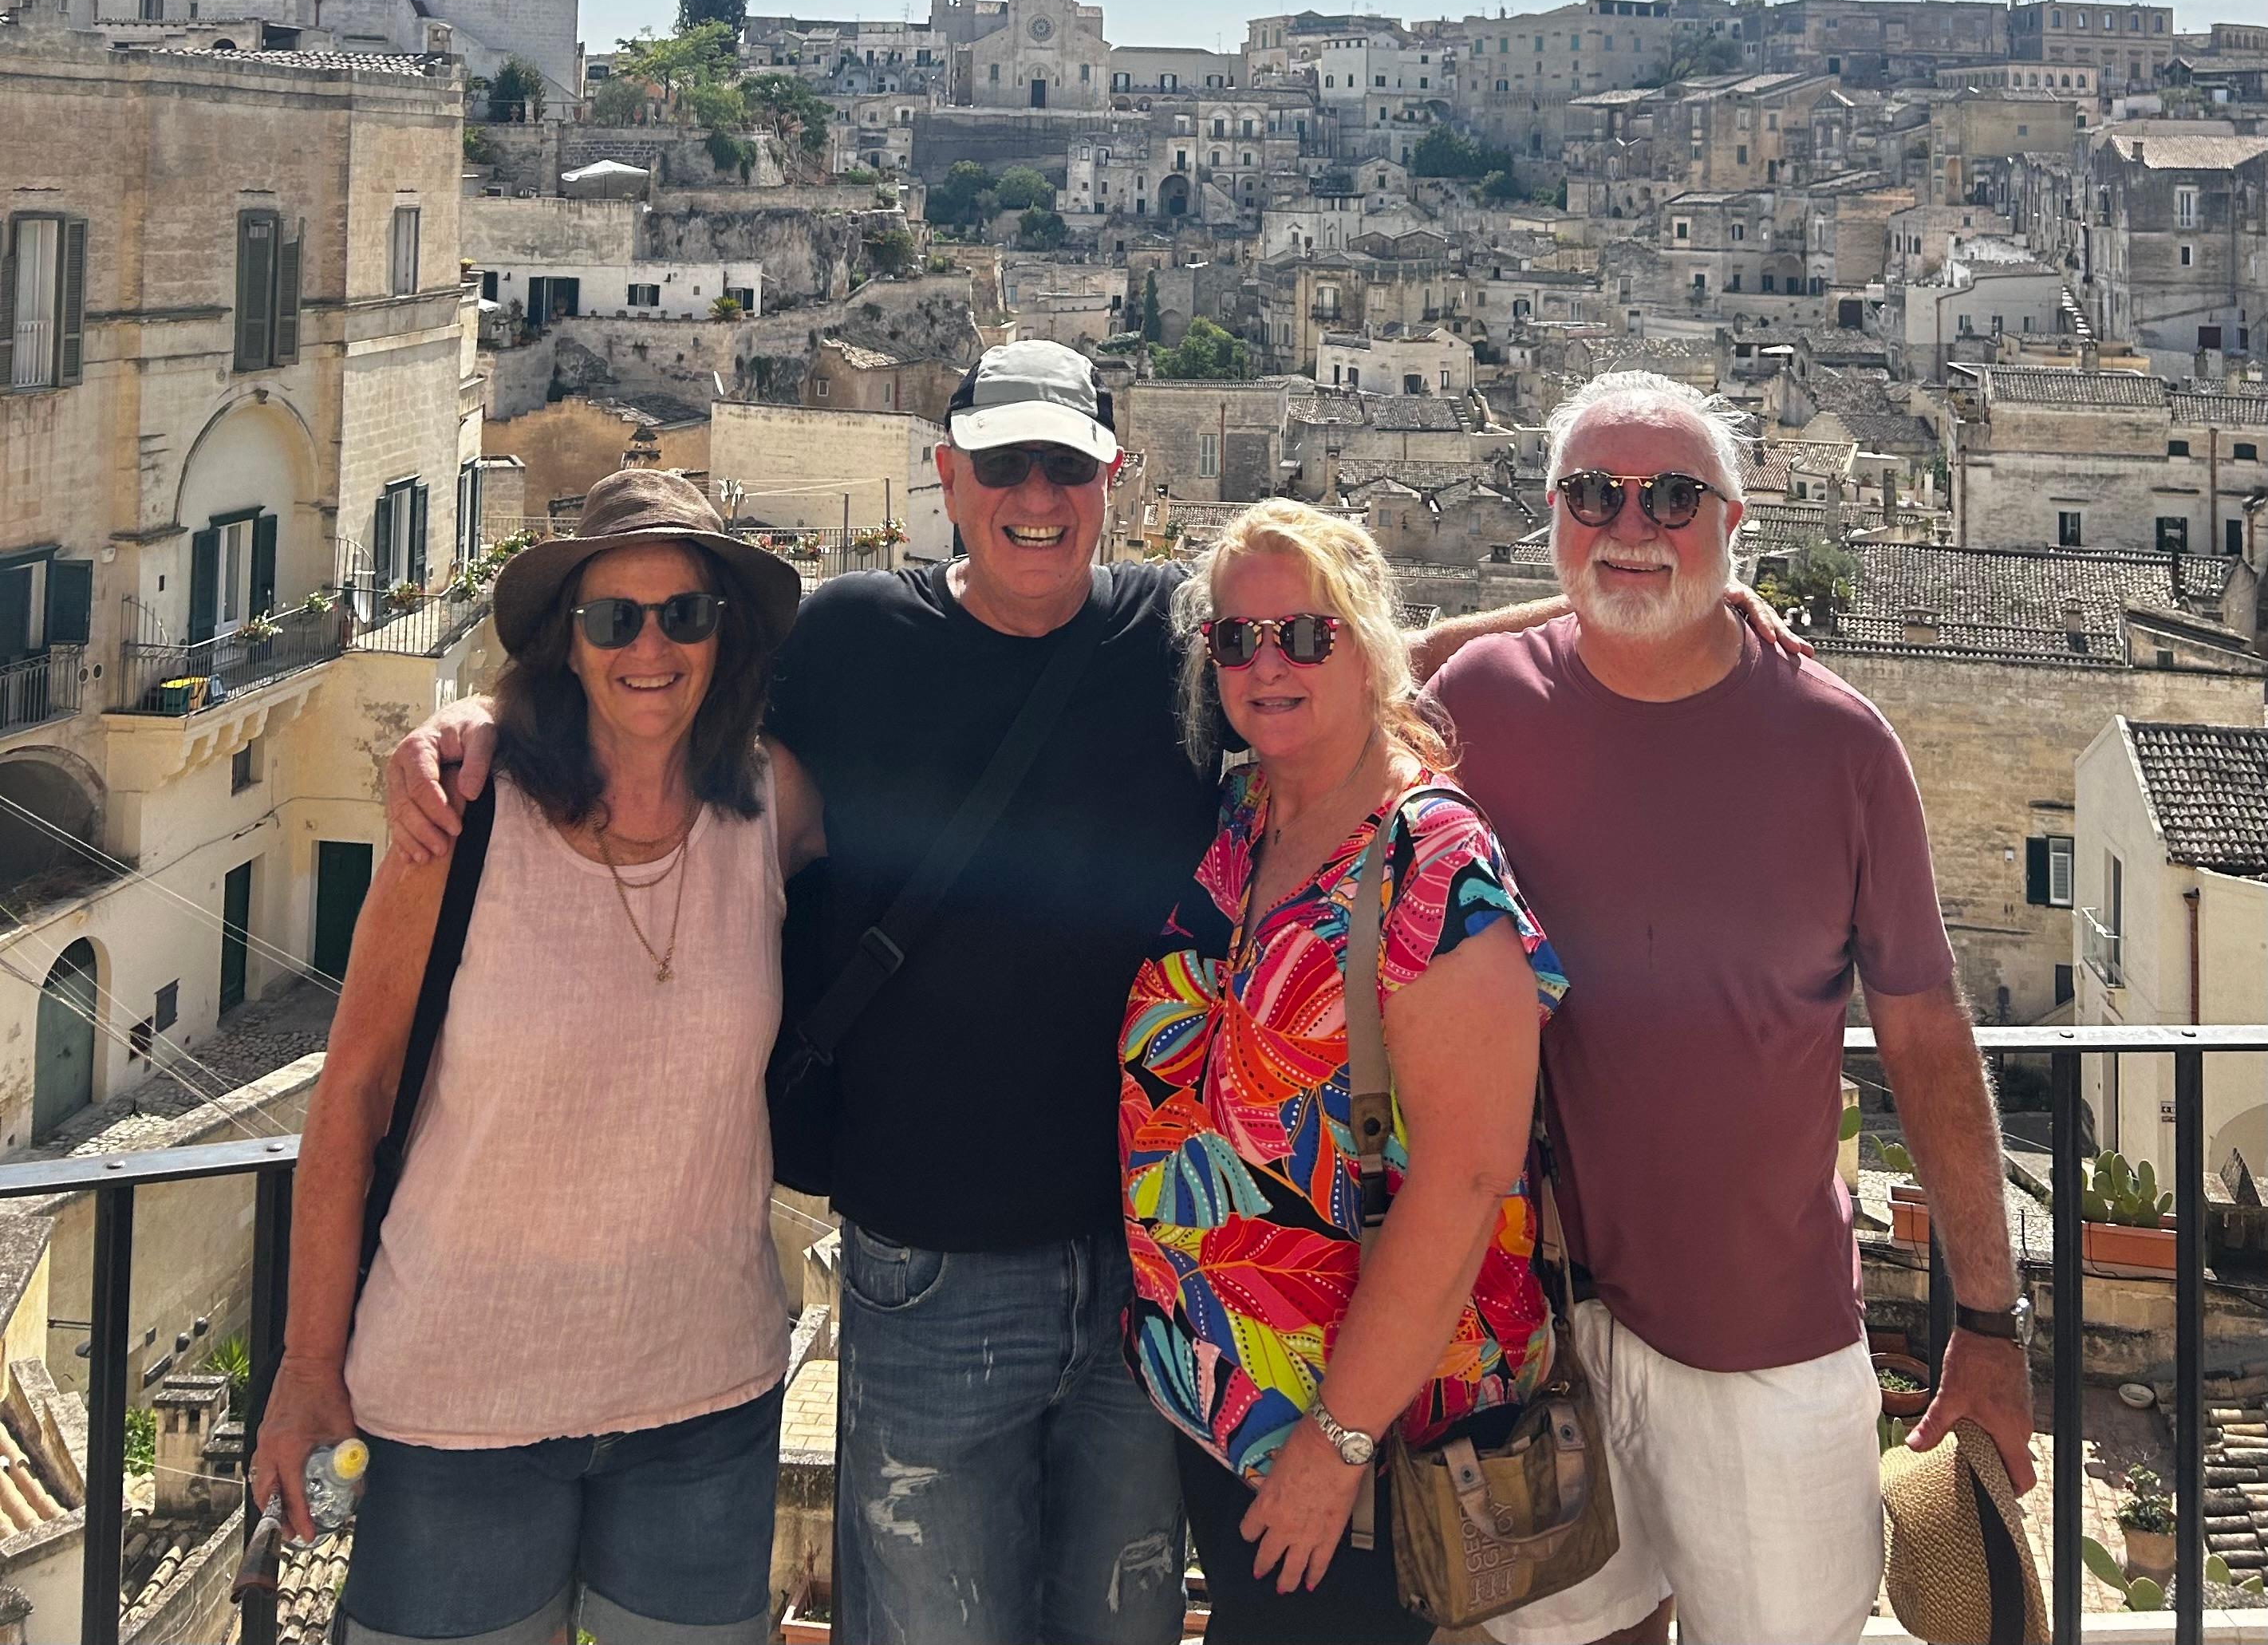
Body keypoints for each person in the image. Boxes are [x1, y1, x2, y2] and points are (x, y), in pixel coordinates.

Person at [381, 345, 1798, 1644]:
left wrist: (1637, 590)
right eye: (1003, 464)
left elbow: (1336, 637)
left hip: (1150, 1300)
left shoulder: (1182, 647)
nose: (1036, 495)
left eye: (1067, 464)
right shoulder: (853, 639)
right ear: (947, 476)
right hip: (928, 1272)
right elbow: (657, 695)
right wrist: (478, 720)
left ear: (1111, 479)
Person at [1412, 370, 2033, 1645]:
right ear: (1552, 513)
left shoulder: (1842, 745)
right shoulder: (1477, 703)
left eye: (1674, 496)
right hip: (1549, 1329)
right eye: (1595, 494)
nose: (1631, 518)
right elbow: (1366, 659)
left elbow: (1924, 1034)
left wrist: (1988, 1320)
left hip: (1771, 1339)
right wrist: (1627, 585)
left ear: (1735, 518)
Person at [251, 470, 803, 1645]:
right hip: (458, 1403)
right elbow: (351, 1089)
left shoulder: (769, 807)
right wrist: (307, 1363)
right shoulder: (462, 816)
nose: (650, 644)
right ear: (569, 641)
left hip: (703, 1398)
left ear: (725, 635)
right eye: (615, 617)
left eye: (685, 614)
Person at [1122, 503, 1564, 1644]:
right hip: (1225, 1412)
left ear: (1367, 644)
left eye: (1306, 636)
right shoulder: (1246, 814)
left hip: (1365, 1456)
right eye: (1236, 638)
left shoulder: (1433, 862)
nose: (1268, 663)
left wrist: (1338, 1443)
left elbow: (1467, 1178)